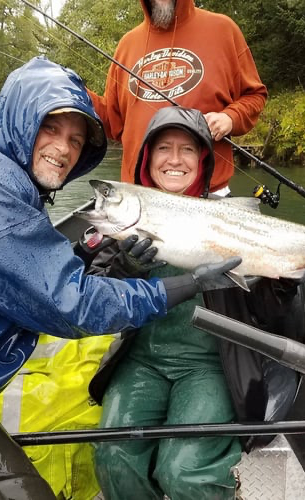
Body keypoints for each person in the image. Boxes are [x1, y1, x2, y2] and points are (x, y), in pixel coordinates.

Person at [0, 56, 242, 499]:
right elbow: (73, 300)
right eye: (50, 129)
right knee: (113, 456)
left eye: (77, 139)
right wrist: (169, 278)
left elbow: (51, 278)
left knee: (182, 472)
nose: (64, 147)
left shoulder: (16, 196)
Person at [88, 106, 305, 500]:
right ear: (148, 159)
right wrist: (127, 264)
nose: (174, 159)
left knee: (184, 471)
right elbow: (94, 303)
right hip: (142, 360)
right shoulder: (117, 232)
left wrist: (285, 283)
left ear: (203, 160)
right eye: (163, 149)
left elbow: (274, 316)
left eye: (187, 149)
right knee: (113, 459)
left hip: (212, 364)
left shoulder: (226, 212)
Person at [88, 0, 267, 195]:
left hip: (209, 194)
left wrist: (230, 118)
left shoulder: (223, 30)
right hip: (140, 197)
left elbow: (255, 95)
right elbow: (113, 121)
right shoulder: (127, 45)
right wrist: (75, 90)